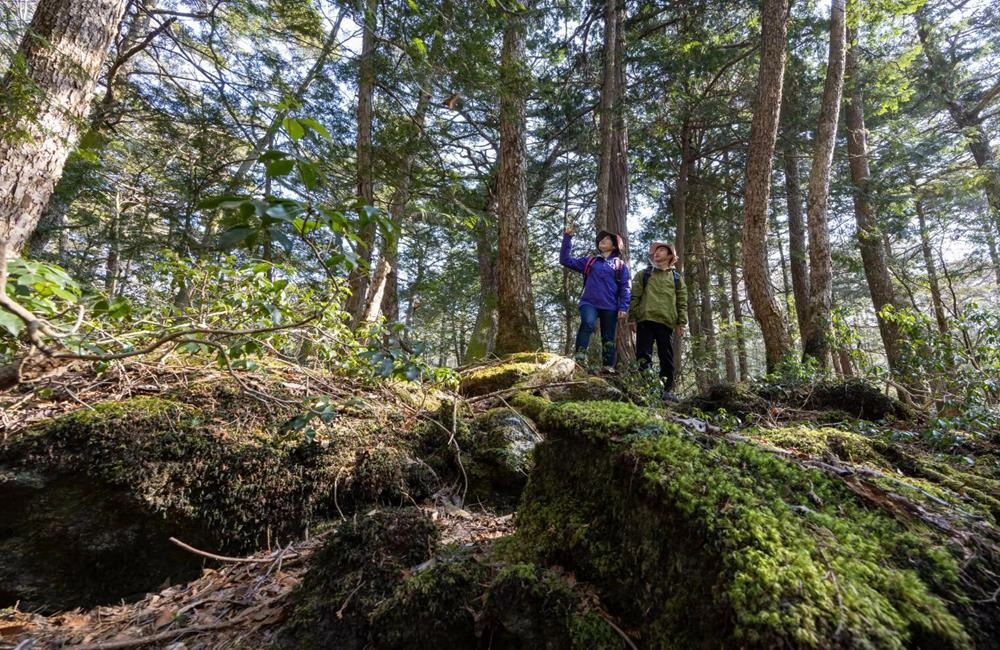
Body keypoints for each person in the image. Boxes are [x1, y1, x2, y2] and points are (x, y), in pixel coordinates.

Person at [560, 226, 630, 373]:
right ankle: (579, 360)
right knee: (587, 323)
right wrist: (567, 237)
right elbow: (565, 260)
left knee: (608, 336)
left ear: (615, 245)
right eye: (601, 240)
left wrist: (623, 307)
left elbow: (625, 287)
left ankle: (607, 366)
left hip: (610, 305)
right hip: (589, 302)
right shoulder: (590, 261)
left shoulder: (620, 265)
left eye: (606, 240)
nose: (602, 241)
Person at [628, 241, 687, 401]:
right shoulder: (643, 274)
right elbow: (635, 296)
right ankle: (649, 388)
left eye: (661, 250)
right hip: (645, 320)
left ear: (670, 256)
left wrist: (681, 323)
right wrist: (632, 318)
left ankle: (666, 391)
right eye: (655, 251)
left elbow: (682, 300)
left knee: (666, 357)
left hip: (666, 322)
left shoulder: (676, 278)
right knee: (643, 355)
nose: (657, 253)